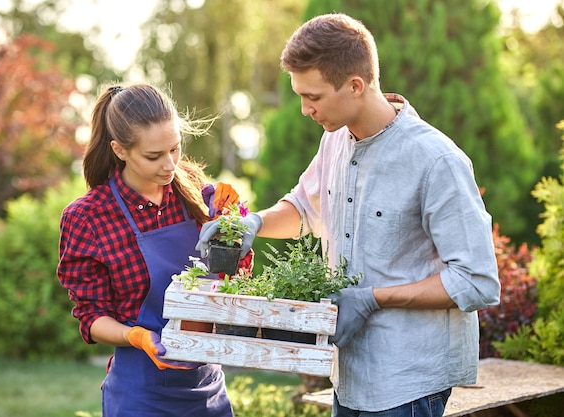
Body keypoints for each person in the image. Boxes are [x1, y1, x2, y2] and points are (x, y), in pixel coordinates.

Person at [197, 13, 500, 417]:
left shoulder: (435, 160)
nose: (304, 109)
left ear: (355, 85)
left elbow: (476, 280)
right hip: (349, 373)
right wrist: (254, 223)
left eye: (314, 97)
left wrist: (373, 299)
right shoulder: (335, 141)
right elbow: (305, 208)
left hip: (408, 381)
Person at [57, 84, 249, 417]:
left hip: (209, 392)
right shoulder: (89, 218)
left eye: (175, 149)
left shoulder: (194, 192)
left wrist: (234, 227)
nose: (170, 165)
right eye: (153, 156)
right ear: (119, 150)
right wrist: (137, 336)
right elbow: (91, 318)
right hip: (141, 395)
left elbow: (234, 279)